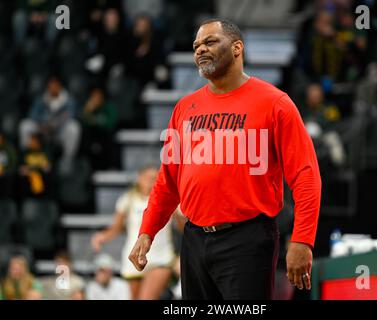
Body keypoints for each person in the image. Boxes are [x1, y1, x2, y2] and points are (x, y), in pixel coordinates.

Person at [129, 19, 322, 299]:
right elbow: (167, 181)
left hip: (247, 239)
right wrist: (147, 232)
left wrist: (303, 239)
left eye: (210, 42)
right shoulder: (185, 108)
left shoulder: (275, 103)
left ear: (237, 48)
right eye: (196, 46)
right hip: (193, 238)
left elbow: (306, 176)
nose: (200, 50)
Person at [91, 166, 183, 300]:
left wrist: (175, 212)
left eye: (154, 178)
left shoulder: (167, 198)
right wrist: (102, 236)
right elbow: (116, 228)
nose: (151, 181)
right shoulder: (128, 199)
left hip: (160, 256)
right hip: (134, 254)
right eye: (148, 178)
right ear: (139, 178)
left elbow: (183, 228)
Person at [19, 75, 81, 175]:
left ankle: (67, 160)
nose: (53, 88)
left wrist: (54, 124)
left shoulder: (68, 100)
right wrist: (43, 123)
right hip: (43, 130)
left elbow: (70, 116)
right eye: (51, 86)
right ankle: (25, 158)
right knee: (25, 125)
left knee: (74, 128)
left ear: (60, 86)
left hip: (59, 132)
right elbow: (33, 115)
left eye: (55, 86)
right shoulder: (41, 99)